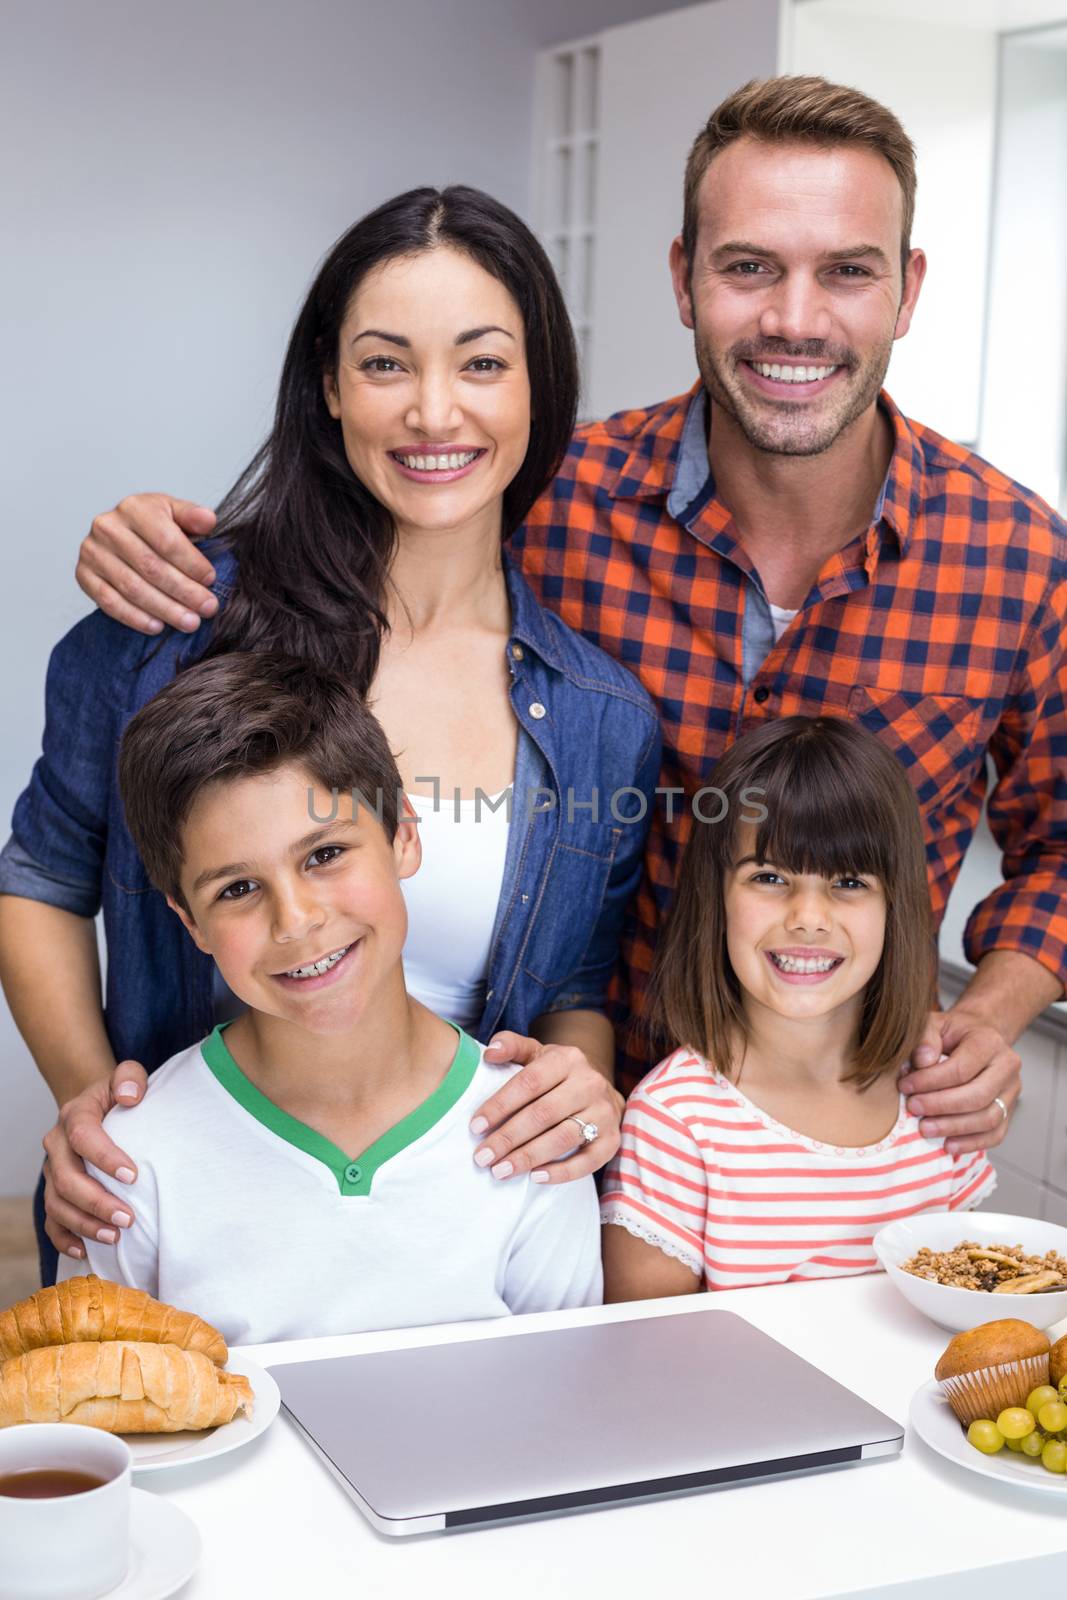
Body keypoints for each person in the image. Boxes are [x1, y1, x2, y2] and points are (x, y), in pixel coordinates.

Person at [67, 79, 1065, 1155]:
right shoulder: (541, 495)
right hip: (560, 1146)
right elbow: (370, 494)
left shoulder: (1016, 558)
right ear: (683, 279)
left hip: (842, 1147)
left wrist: (982, 1014)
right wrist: (160, 542)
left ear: (905, 290)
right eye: (746, 267)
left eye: (846, 271)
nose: (791, 317)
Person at [0, 186, 661, 1283]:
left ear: (540, 390)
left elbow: (573, 988)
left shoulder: (599, 717)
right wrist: (94, 1104)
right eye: (386, 363)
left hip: (447, 1231)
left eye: (483, 363)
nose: (434, 412)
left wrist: (575, 1081)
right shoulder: (172, 624)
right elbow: (41, 880)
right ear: (329, 388)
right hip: (183, 1222)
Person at [62, 652, 601, 1340]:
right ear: (189, 921)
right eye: (236, 889)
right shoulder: (132, 1164)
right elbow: (105, 1422)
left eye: (323, 855)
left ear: (402, 836)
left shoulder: (530, 1134)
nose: (296, 921)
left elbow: (568, 1404)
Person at [600, 716, 996, 1301]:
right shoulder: (675, 1121)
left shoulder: (933, 1100)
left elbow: (972, 1303)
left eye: (850, 882)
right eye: (769, 876)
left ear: (898, 907)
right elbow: (647, 1364)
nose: (808, 916)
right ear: (717, 899)